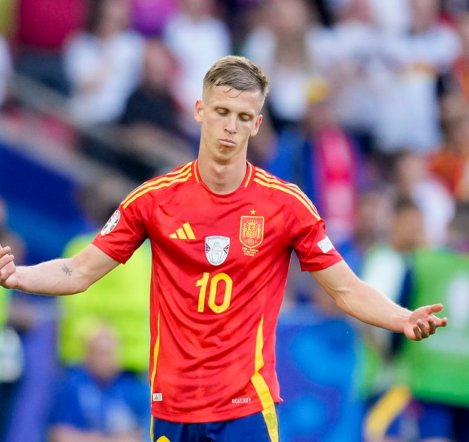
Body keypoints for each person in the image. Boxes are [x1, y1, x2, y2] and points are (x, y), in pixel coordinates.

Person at [0, 56, 448, 442]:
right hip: (171, 407)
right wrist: (18, 276)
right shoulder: (153, 200)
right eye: (221, 112)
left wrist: (401, 318)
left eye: (243, 116)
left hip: (245, 408)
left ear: (257, 124)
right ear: (200, 111)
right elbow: (79, 271)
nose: (231, 127)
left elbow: (346, 289)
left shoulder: (286, 205)